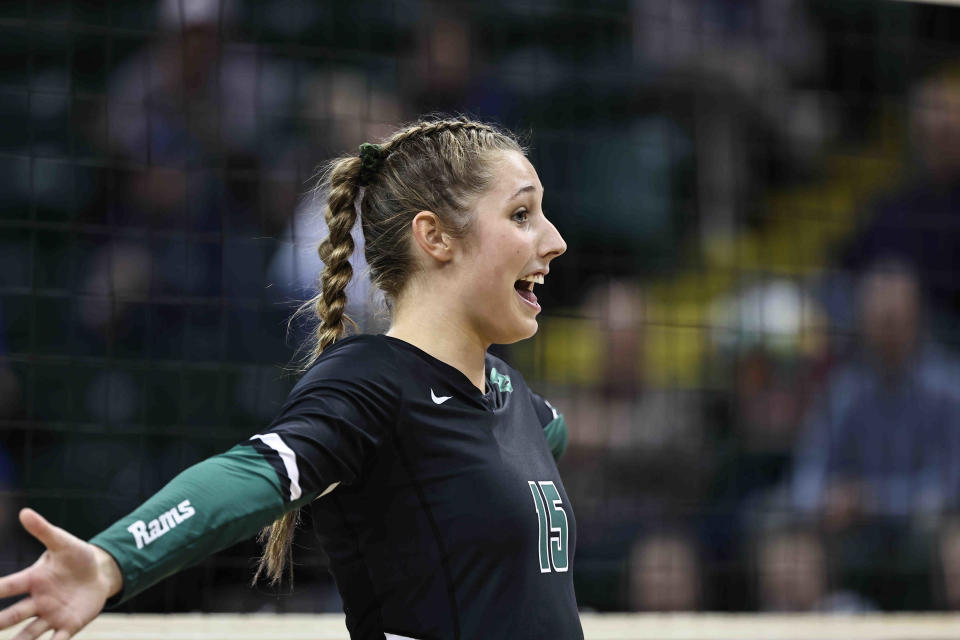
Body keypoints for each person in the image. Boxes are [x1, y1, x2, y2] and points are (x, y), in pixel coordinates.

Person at [0, 117, 578, 640]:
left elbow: (533, 436)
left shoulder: (508, 395)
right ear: (435, 237)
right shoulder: (372, 383)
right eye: (522, 215)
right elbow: (250, 473)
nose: (555, 242)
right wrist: (113, 561)